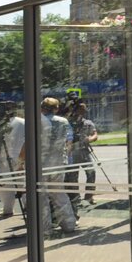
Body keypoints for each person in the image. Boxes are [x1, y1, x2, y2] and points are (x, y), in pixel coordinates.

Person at [39, 98, 77, 234]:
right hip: (58, 162)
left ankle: (44, 228)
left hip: (42, 163)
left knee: (41, 196)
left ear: (42, 108)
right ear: (56, 108)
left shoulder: (38, 121)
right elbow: (69, 141)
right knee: (59, 193)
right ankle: (68, 224)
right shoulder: (63, 121)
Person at [65, 102, 98, 206]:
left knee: (91, 173)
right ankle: (76, 198)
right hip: (72, 153)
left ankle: (89, 197)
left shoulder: (87, 123)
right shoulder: (67, 123)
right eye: (81, 109)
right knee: (73, 177)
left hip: (84, 152)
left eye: (84, 110)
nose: (83, 112)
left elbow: (95, 134)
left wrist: (90, 139)